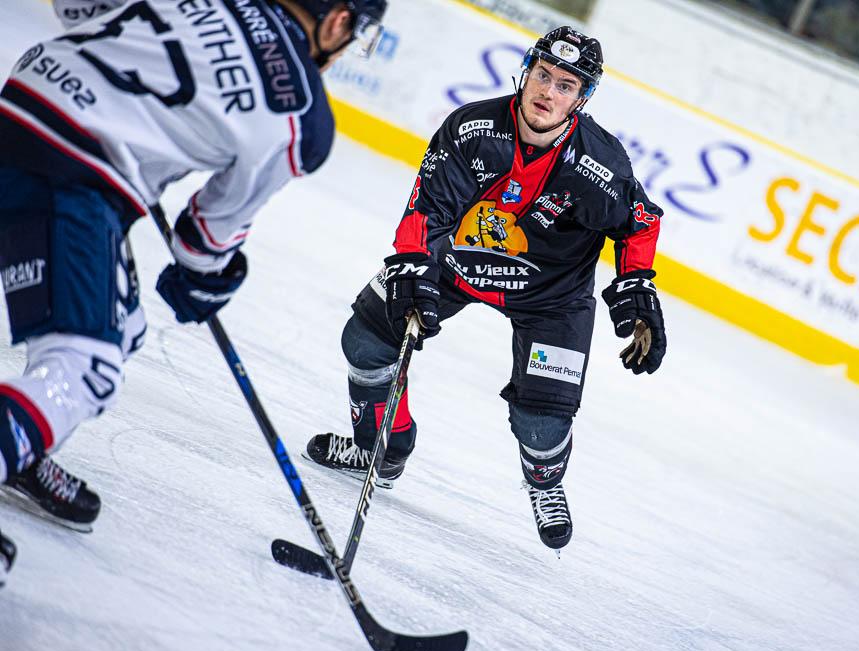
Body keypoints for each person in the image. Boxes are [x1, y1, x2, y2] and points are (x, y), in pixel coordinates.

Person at [0, 0, 387, 578]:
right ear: (337, 21)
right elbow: (204, 239)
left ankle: (23, 442)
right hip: (70, 169)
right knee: (87, 368)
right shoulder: (301, 112)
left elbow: (76, 8)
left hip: (19, 104)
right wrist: (208, 281)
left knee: (122, 326)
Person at [305, 27, 667, 552]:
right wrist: (412, 265)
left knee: (541, 425)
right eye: (543, 75)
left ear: (582, 98)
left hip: (551, 296)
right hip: (455, 266)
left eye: (566, 85)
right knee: (366, 340)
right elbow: (428, 206)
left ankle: (545, 482)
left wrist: (636, 285)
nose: (548, 92)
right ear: (526, 70)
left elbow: (639, 222)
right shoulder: (472, 128)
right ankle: (382, 450)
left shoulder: (601, 164)